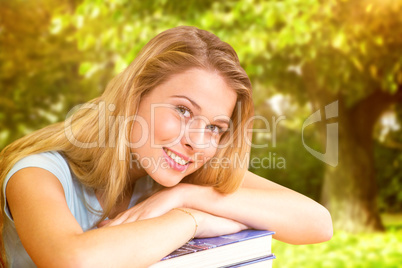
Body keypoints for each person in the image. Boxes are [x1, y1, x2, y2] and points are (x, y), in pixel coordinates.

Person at [0, 26, 332, 267]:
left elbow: (319, 223)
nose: (196, 141)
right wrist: (193, 220)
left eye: (215, 127)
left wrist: (187, 197)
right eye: (183, 110)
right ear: (135, 97)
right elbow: (73, 261)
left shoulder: (184, 173)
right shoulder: (37, 172)